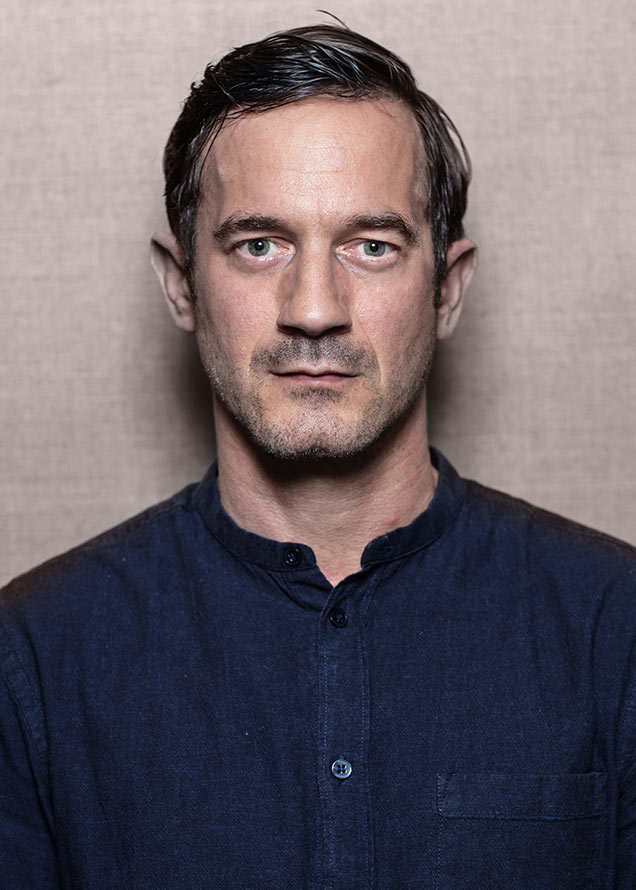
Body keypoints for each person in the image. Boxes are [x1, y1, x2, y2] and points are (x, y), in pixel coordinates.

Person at [1, 22, 635, 890]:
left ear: (447, 290)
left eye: (371, 246)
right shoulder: (33, 658)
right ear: (182, 286)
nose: (312, 309)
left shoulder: (615, 629)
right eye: (258, 244)